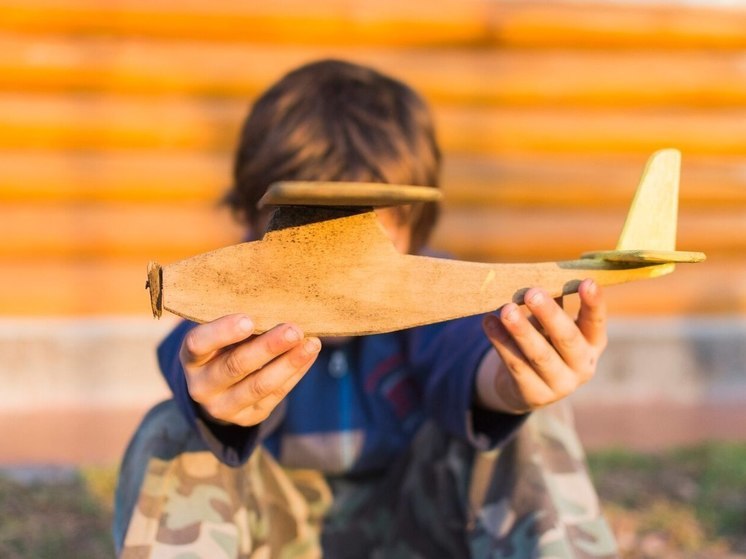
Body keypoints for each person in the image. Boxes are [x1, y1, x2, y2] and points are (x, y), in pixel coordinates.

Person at [114, 59, 618, 558]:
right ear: (250, 224)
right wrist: (214, 402)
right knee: (172, 429)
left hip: (418, 526)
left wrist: (513, 384)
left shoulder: (433, 303)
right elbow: (190, 359)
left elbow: (466, 354)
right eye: (301, 238)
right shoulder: (236, 309)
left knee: (531, 421)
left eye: (353, 234)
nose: (322, 263)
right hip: (279, 532)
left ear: (413, 235)